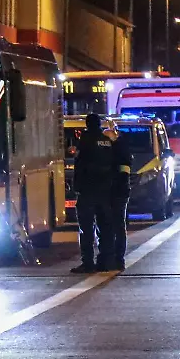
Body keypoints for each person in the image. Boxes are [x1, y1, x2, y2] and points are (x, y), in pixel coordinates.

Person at [71, 113, 116, 274]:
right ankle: (105, 261)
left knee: (86, 228)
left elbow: (80, 165)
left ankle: (88, 262)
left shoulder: (85, 140)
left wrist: (77, 186)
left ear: (87, 124)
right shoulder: (107, 141)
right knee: (105, 227)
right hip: (105, 191)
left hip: (88, 191)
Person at [107, 126, 133, 271]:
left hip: (117, 192)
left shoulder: (119, 151)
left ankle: (117, 259)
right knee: (116, 225)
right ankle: (115, 258)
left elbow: (123, 173)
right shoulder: (120, 150)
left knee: (116, 225)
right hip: (117, 192)